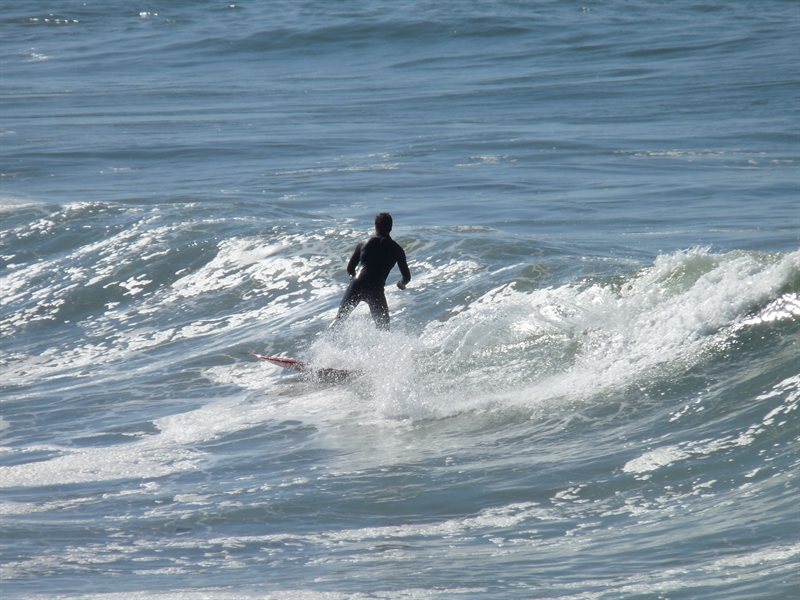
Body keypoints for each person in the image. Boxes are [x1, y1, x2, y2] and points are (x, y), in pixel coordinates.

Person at [332, 212, 411, 330]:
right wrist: (401, 284)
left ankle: (326, 344)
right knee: (384, 328)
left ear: (376, 227)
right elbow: (407, 277)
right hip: (375, 289)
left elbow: (350, 269)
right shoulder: (397, 250)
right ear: (390, 228)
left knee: (339, 320)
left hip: (357, 284)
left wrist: (354, 282)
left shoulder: (363, 244)